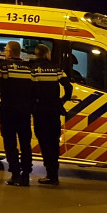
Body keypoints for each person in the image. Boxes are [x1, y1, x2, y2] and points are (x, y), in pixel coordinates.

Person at [0, 41, 35, 186]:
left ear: (10, 52)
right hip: (24, 112)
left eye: (6, 50)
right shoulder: (29, 68)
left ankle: (15, 174)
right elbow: (35, 90)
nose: (5, 52)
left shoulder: (2, 67)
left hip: (7, 111)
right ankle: (25, 175)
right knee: (25, 144)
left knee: (10, 144)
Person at [31, 44, 72, 185]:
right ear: (47, 54)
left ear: (36, 55)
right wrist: (62, 100)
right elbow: (68, 86)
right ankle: (54, 174)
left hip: (39, 111)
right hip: (54, 111)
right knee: (54, 143)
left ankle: (49, 173)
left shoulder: (33, 70)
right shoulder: (56, 69)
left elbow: (30, 89)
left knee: (44, 142)